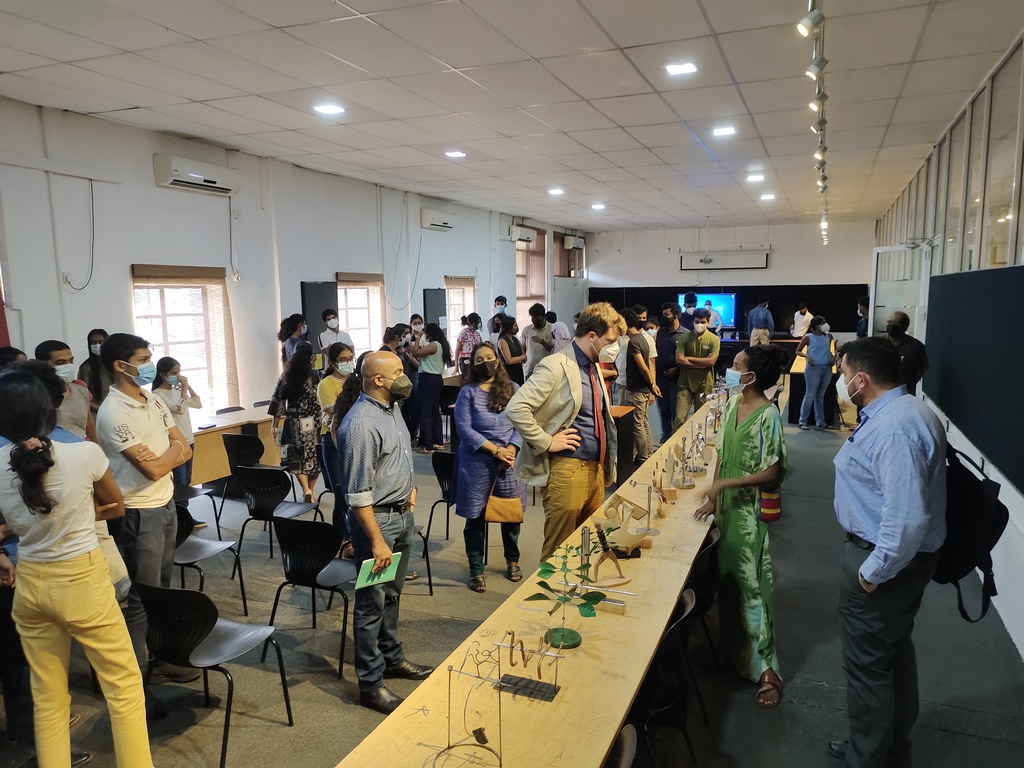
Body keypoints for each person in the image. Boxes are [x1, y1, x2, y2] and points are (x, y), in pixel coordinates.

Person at [0, 371, 154, 767]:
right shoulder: (84, 453)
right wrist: (81, 515)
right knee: (123, 685)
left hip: (30, 583)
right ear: (48, 409)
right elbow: (115, 506)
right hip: (81, 581)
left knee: (48, 696)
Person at [828, 337, 946, 768]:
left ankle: (867, 757)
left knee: (868, 667)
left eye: (843, 374)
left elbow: (907, 518)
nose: (841, 382)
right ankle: (888, 747)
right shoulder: (902, 411)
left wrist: (872, 573)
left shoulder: (894, 428)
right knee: (893, 654)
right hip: (900, 561)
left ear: (860, 379)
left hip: (883, 562)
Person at [336, 351, 435, 715]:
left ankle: (392, 658)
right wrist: (377, 540)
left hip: (400, 515)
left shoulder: (391, 408)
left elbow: (396, 458)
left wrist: (409, 491)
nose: (405, 376)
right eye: (398, 371)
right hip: (376, 524)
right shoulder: (360, 425)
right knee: (370, 604)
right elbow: (357, 494)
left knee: (391, 594)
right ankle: (371, 684)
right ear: (378, 380)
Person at [96, 333, 194, 687]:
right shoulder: (113, 413)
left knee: (162, 588)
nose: (149, 365)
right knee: (141, 595)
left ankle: (160, 655)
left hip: (165, 503)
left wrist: (169, 455)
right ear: (120, 366)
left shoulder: (151, 398)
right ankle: (137, 675)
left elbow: (184, 446)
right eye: (142, 360)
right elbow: (152, 469)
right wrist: (172, 455)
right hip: (139, 512)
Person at [693, 344, 788, 710]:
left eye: (736, 365)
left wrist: (726, 485)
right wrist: (714, 497)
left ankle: (767, 671)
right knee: (729, 586)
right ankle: (737, 657)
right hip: (727, 510)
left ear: (752, 376)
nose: (730, 369)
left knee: (753, 590)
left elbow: (772, 471)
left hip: (748, 515)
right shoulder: (733, 405)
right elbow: (722, 455)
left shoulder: (768, 415)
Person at [506, 302, 623, 560]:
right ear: (591, 336)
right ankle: (549, 590)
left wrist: (607, 465)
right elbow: (516, 408)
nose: (614, 347)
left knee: (585, 549)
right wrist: (546, 441)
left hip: (595, 469)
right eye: (610, 341)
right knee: (559, 553)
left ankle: (576, 589)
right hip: (568, 470)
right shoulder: (555, 365)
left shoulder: (592, 365)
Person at [453, 343, 525, 593]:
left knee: (510, 515)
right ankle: (476, 570)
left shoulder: (513, 388)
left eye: (489, 357)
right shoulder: (468, 393)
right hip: (476, 464)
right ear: (472, 365)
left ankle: (512, 561)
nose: (485, 362)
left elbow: (521, 423)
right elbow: (464, 430)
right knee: (475, 519)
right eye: (479, 359)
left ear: (497, 360)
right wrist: (496, 451)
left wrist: (511, 449)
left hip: (509, 462)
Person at [151, 357, 206, 528]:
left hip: (189, 440)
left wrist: (188, 388)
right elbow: (179, 409)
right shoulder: (157, 395)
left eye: (179, 372)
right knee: (179, 482)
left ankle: (185, 516)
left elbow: (198, 404)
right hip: (176, 444)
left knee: (187, 480)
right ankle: (179, 519)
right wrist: (182, 391)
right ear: (163, 375)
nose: (178, 376)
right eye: (174, 373)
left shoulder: (177, 391)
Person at [269, 340, 321, 503]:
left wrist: (274, 425)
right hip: (315, 424)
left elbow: (277, 401)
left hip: (294, 424)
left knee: (296, 458)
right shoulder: (316, 376)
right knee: (315, 458)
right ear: (312, 358)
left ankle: (305, 489)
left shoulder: (286, 376)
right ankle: (311, 491)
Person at [34, 339, 97, 442]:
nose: (68, 366)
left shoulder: (80, 390)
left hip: (81, 446)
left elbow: (89, 424)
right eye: (60, 363)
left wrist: (96, 447)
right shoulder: (36, 395)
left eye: (71, 361)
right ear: (43, 365)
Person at [318, 342, 355, 507]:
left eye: (350, 358)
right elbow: (335, 413)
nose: (348, 362)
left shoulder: (356, 381)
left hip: (356, 438)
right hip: (333, 439)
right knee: (341, 495)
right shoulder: (326, 384)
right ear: (333, 362)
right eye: (343, 359)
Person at [622, 308, 661, 464]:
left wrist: (652, 385)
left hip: (637, 389)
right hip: (642, 388)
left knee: (638, 424)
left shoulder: (634, 341)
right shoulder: (642, 338)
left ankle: (643, 456)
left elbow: (644, 367)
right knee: (643, 422)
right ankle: (647, 453)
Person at [674, 308, 720, 430]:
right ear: (693, 321)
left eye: (702, 322)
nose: (699, 324)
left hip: (704, 385)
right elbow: (679, 359)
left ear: (708, 322)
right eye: (697, 321)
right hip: (685, 384)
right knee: (679, 419)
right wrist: (702, 364)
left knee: (701, 420)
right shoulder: (685, 337)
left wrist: (688, 358)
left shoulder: (714, 339)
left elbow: (711, 362)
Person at [409, 322, 451, 453]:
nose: (425, 335)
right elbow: (422, 362)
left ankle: (428, 446)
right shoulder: (441, 344)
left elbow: (416, 352)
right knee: (434, 412)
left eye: (426, 333)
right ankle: (437, 441)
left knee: (425, 413)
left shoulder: (434, 345)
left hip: (428, 380)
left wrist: (418, 337)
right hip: (436, 380)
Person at [796, 316, 834, 430]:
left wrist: (833, 357)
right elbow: (797, 351)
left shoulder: (829, 336)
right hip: (813, 368)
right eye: (823, 323)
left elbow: (829, 351)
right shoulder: (808, 337)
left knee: (820, 395)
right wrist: (807, 356)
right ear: (816, 326)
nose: (825, 325)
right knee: (810, 395)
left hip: (827, 367)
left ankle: (820, 421)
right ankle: (803, 421)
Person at [655, 302, 684, 442]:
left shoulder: (685, 334)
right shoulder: (660, 333)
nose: (664, 317)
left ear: (676, 316)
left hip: (677, 379)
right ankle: (665, 437)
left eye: (667, 314)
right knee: (664, 411)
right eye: (663, 314)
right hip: (661, 379)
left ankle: (675, 439)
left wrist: (676, 369)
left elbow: (686, 357)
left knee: (675, 412)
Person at [886, 311, 928, 396]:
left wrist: (910, 384)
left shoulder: (916, 346)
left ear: (905, 326)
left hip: (904, 393)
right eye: (890, 322)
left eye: (896, 323)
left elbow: (921, 369)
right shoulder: (878, 344)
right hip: (880, 392)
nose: (892, 325)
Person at [79, 328, 113, 412]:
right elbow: (83, 396)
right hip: (98, 412)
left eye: (101, 342)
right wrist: (101, 411)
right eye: (93, 343)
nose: (97, 345)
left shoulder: (117, 364)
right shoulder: (86, 367)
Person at [521, 303, 554, 378]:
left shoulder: (552, 329)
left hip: (546, 369)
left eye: (537, 318)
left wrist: (542, 342)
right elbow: (523, 347)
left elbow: (553, 349)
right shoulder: (527, 330)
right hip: (529, 369)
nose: (535, 321)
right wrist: (524, 357)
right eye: (533, 318)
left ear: (544, 317)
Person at [497, 315, 526, 386]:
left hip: (519, 371)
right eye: (515, 326)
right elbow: (509, 361)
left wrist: (518, 359)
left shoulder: (515, 339)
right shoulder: (502, 341)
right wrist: (521, 358)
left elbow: (524, 355)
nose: (517, 328)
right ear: (509, 327)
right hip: (509, 373)